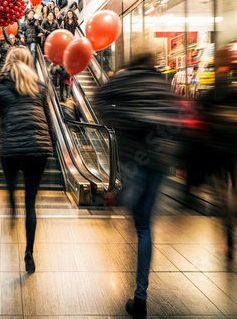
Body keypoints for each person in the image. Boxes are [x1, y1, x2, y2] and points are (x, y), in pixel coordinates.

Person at [94, 51, 178, 318]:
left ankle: (123, 197)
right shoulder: (161, 83)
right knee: (144, 226)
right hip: (158, 162)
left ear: (131, 61)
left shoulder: (124, 79)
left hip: (135, 160)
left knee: (137, 219)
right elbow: (177, 117)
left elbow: (99, 98)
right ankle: (140, 296)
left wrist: (118, 122)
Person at [0, 47, 55, 274]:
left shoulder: (0, 86)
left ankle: (13, 202)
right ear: (28, 62)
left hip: (11, 147)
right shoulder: (41, 87)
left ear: (9, 62)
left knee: (12, 183)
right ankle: (29, 253)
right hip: (37, 148)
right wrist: (49, 143)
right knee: (31, 204)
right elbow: (49, 119)